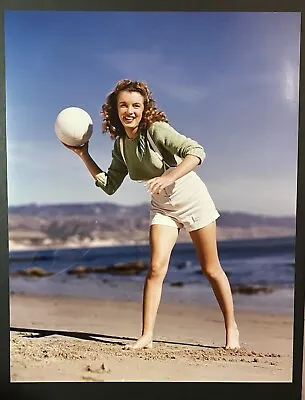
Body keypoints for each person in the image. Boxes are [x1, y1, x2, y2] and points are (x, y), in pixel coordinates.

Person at [62, 79, 240, 350]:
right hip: (162, 208)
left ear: (145, 108)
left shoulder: (157, 130)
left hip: (193, 200)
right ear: (115, 110)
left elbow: (196, 152)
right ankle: (146, 336)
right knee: (156, 268)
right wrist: (83, 155)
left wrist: (169, 175)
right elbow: (109, 185)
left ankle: (232, 329)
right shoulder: (121, 145)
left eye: (136, 105)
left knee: (210, 269)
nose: (129, 110)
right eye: (123, 105)